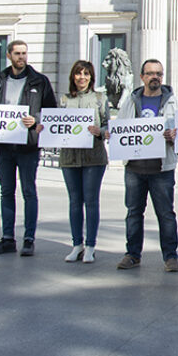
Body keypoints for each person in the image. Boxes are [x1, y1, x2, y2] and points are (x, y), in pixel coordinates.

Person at [0, 40, 56, 257]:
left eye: (24, 53)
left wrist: (35, 119)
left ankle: (29, 239)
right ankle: (7, 238)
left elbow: (51, 111)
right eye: (17, 53)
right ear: (9, 56)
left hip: (28, 145)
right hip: (3, 146)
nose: (22, 57)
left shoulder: (40, 81)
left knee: (29, 191)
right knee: (6, 192)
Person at [113, 59, 178, 272]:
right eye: (151, 73)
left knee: (166, 214)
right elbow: (121, 127)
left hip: (161, 168)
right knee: (133, 212)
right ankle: (132, 254)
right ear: (142, 77)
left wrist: (173, 136)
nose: (155, 77)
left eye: (159, 74)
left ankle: (170, 256)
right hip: (134, 167)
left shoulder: (171, 101)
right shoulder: (131, 101)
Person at [58, 60, 109, 264]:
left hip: (93, 157)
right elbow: (57, 124)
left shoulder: (99, 98)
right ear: (73, 76)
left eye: (86, 74)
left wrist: (101, 132)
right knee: (74, 201)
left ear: (91, 77)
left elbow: (108, 124)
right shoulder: (64, 99)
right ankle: (76, 243)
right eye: (79, 74)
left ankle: (90, 245)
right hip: (69, 158)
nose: (82, 77)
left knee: (91, 201)